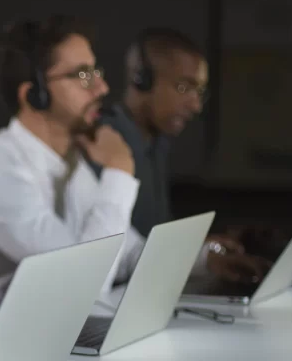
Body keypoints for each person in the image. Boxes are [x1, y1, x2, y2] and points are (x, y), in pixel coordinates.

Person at [0, 15, 144, 309]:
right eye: (83, 75)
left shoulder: (68, 161)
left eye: (95, 72)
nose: (101, 89)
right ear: (35, 95)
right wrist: (119, 172)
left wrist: (205, 259)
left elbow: (126, 254)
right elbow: (84, 284)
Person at [96, 27, 272, 283]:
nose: (195, 105)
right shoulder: (104, 140)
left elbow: (151, 235)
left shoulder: (156, 142)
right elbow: (115, 249)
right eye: (183, 87)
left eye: (199, 91)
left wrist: (201, 248)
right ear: (141, 79)